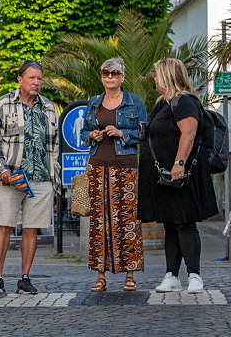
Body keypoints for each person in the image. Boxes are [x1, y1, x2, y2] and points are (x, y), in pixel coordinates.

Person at [139, 58, 218, 294]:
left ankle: (194, 276)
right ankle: (171, 276)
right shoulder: (163, 102)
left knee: (185, 223)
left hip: (180, 173)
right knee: (171, 224)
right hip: (164, 174)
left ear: (167, 76)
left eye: (156, 74)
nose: (154, 78)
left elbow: (189, 133)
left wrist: (179, 163)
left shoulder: (185, 101)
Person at [0, 60, 60, 295]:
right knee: (4, 226)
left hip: (40, 178)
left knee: (31, 228)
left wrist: (54, 179)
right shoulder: (3, 104)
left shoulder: (48, 108)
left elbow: (55, 146)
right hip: (10, 177)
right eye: (31, 78)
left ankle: (24, 278)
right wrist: (2, 170)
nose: (36, 82)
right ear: (20, 79)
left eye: (39, 79)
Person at [79, 58, 147, 292]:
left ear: (122, 77)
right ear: (101, 76)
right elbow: (83, 133)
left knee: (128, 220)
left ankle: (130, 275)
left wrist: (122, 132)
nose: (110, 77)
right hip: (97, 166)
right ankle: (100, 277)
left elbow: (144, 133)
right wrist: (91, 136)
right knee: (99, 222)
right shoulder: (94, 103)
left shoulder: (134, 102)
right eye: (106, 73)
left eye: (114, 73)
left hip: (126, 166)